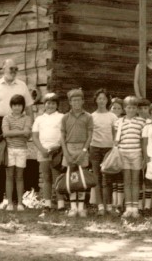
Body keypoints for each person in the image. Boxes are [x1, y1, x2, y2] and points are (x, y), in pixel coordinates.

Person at [0, 59, 34, 205]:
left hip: (18, 123)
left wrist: (29, 127)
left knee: (16, 162)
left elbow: (29, 108)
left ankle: (16, 199)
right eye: (11, 68)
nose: (13, 71)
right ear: (3, 68)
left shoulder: (22, 85)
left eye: (16, 69)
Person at [61, 88, 93, 218]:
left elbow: (90, 135)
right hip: (69, 148)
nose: (76, 103)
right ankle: (73, 207)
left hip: (82, 148)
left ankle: (81, 207)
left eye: (79, 100)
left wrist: (84, 151)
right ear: (70, 102)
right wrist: (66, 153)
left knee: (82, 178)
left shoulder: (88, 117)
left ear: (83, 101)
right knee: (72, 178)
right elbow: (62, 136)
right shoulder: (65, 117)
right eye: (74, 100)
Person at [32, 92, 65, 215]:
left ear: (57, 105)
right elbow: (35, 136)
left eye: (53, 103)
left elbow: (63, 134)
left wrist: (58, 147)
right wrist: (42, 149)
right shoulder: (39, 119)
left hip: (57, 151)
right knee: (46, 178)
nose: (50, 105)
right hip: (43, 151)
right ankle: (47, 204)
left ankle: (60, 204)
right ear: (44, 105)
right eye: (48, 103)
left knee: (57, 178)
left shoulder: (61, 117)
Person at [115, 96, 145, 218]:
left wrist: (144, 156)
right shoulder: (119, 122)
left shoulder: (142, 122)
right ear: (124, 108)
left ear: (137, 109)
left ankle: (135, 208)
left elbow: (143, 140)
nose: (131, 110)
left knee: (135, 181)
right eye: (128, 107)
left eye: (133, 107)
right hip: (123, 154)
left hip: (136, 153)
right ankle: (128, 208)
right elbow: (116, 140)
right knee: (127, 181)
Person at [90, 89, 119, 216]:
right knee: (97, 177)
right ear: (96, 100)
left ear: (107, 100)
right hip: (95, 148)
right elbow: (89, 134)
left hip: (108, 150)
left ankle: (109, 206)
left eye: (104, 98)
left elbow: (115, 134)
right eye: (99, 98)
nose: (101, 101)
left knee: (107, 178)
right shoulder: (92, 116)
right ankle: (100, 206)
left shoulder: (112, 116)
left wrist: (114, 147)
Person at [137, 97, 152, 213]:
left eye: (145, 108)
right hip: (137, 153)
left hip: (150, 154)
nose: (143, 111)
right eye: (140, 108)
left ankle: (147, 205)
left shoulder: (151, 122)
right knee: (138, 179)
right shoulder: (136, 121)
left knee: (148, 179)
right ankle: (138, 205)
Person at [110, 97, 125, 212]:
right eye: (114, 107)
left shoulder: (122, 121)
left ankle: (119, 203)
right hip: (109, 150)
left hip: (120, 151)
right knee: (112, 178)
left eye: (119, 108)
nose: (116, 110)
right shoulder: (110, 120)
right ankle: (113, 202)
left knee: (120, 177)